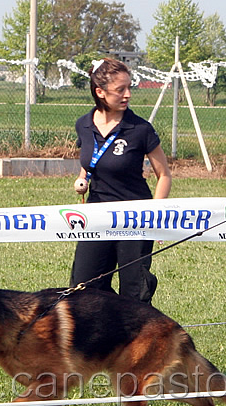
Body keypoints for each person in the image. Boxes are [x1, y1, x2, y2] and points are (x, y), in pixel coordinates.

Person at [70, 57, 172, 304]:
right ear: (100, 92)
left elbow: (164, 175)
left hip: (135, 218)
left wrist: (154, 214)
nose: (127, 95)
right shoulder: (83, 125)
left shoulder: (140, 129)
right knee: (83, 289)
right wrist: (81, 179)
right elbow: (90, 162)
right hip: (96, 217)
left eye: (129, 88)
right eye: (120, 90)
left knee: (134, 292)